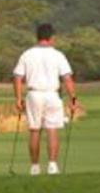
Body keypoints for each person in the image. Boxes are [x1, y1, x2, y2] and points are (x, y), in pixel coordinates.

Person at [13, 24, 78, 176]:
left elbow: (17, 78)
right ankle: (52, 166)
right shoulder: (58, 55)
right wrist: (73, 99)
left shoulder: (27, 54)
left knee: (34, 130)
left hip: (33, 94)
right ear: (52, 38)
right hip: (52, 95)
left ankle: (34, 167)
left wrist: (18, 98)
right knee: (52, 129)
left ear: (37, 37)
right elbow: (67, 78)